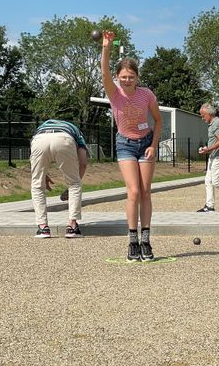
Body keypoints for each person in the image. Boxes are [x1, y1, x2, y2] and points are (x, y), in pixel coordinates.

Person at [101, 30, 162, 262]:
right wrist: (106, 47)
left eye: (131, 77)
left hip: (146, 143)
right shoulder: (114, 94)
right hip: (125, 144)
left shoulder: (146, 95)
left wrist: (154, 145)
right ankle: (132, 240)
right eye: (123, 76)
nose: (127, 80)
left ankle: (146, 239)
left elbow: (158, 120)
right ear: (118, 78)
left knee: (146, 191)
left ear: (137, 77)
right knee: (133, 191)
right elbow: (104, 71)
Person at [30, 119, 89, 239]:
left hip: (39, 139)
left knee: (37, 185)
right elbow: (83, 163)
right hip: (64, 138)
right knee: (74, 183)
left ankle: (43, 228)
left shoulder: (42, 126)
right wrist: (72, 186)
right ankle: (72, 227)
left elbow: (34, 158)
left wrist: (43, 175)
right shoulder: (76, 131)